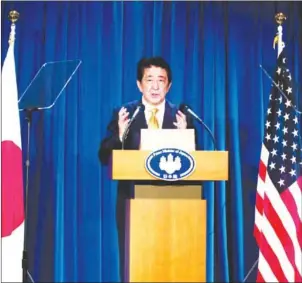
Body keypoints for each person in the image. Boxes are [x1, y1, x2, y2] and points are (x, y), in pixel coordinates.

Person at [98, 56, 197, 281]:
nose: (154, 86)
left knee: (173, 266)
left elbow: (196, 163)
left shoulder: (182, 117)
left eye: (160, 80)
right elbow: (104, 155)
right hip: (132, 202)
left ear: (169, 85)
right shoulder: (124, 113)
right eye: (149, 79)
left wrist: (186, 138)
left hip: (175, 205)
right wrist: (120, 136)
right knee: (135, 267)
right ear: (139, 84)